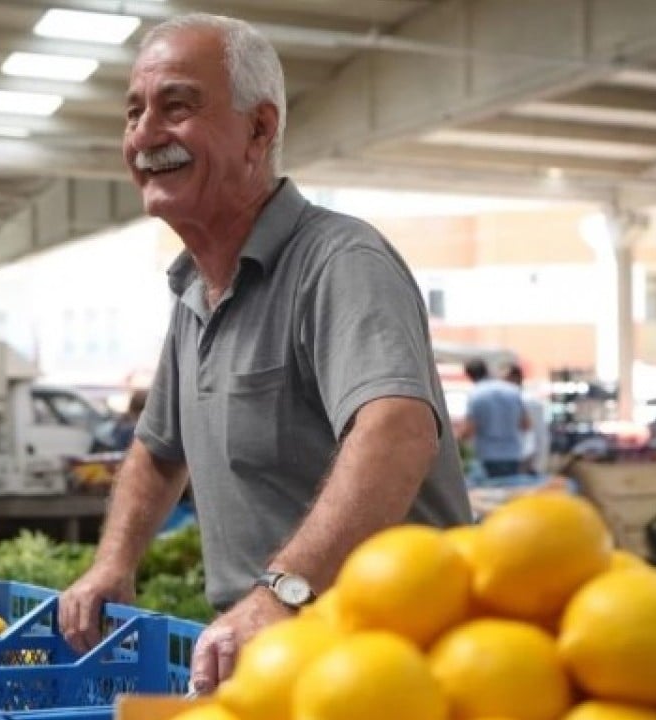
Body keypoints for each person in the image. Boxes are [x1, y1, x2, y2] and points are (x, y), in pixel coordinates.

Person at [56, 13, 471, 694]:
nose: (145, 135)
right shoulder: (195, 291)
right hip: (273, 661)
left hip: (393, 666)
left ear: (259, 128)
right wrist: (112, 562)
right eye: (134, 113)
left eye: (177, 105)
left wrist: (284, 592)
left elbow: (397, 430)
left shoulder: (339, 262)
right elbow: (159, 449)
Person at [458, 358, 530, 478]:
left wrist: (457, 440)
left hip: (488, 455)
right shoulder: (513, 390)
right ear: (487, 370)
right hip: (513, 453)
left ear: (469, 376)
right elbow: (526, 424)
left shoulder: (476, 394)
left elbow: (469, 430)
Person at [506, 363, 550, 476]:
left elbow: (541, 435)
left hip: (526, 461)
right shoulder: (503, 402)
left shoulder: (530, 402)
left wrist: (538, 466)